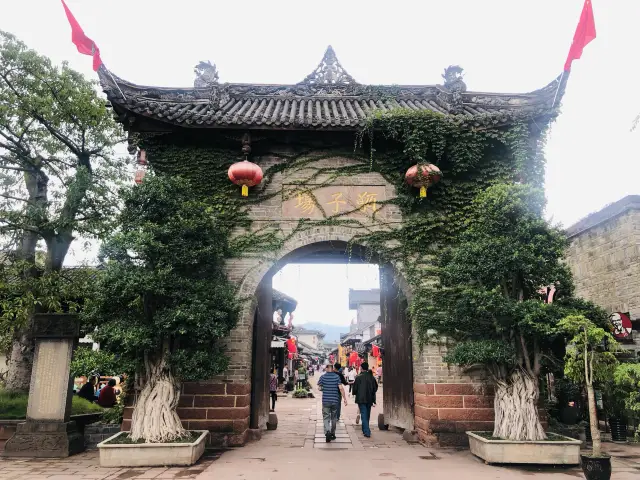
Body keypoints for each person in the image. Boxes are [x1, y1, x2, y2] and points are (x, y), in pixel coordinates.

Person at [317, 364, 347, 443]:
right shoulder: (337, 377)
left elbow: (319, 388)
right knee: (334, 418)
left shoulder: (322, 377)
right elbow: (341, 388)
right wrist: (345, 399)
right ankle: (332, 433)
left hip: (326, 401)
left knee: (326, 418)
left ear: (327, 369)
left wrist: (324, 388)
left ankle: (327, 432)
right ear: (332, 369)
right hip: (335, 401)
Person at [352, 362, 378, 438]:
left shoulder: (358, 377)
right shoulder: (371, 377)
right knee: (367, 414)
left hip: (361, 399)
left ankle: (367, 432)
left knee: (363, 414)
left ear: (361, 368)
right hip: (369, 398)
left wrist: (355, 393)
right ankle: (364, 429)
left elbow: (355, 389)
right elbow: (375, 388)